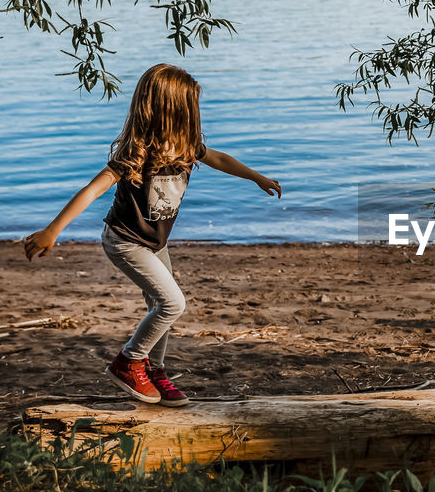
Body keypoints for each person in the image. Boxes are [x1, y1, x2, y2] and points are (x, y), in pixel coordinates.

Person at [23, 63, 282, 406]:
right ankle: (129, 362)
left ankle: (155, 369)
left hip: (155, 243)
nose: (195, 111)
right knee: (172, 303)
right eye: (190, 104)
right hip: (125, 241)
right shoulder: (137, 152)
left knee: (158, 305)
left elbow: (219, 158)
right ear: (171, 108)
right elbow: (91, 190)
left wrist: (255, 177)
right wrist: (52, 230)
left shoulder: (187, 146)